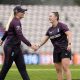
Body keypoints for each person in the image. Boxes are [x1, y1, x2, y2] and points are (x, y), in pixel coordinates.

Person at [0, 6, 36, 80]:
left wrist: (2, 39)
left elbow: (7, 31)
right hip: (10, 48)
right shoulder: (15, 22)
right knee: (6, 67)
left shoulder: (15, 21)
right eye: (22, 11)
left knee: (22, 67)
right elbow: (20, 35)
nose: (24, 13)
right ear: (17, 12)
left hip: (16, 48)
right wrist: (30, 45)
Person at [35, 12, 72, 80]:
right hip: (56, 51)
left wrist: (69, 44)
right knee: (58, 70)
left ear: (56, 17)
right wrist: (38, 45)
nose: (49, 17)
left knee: (65, 68)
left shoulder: (62, 26)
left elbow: (69, 34)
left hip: (64, 49)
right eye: (49, 16)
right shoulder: (50, 29)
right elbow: (45, 39)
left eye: (51, 16)